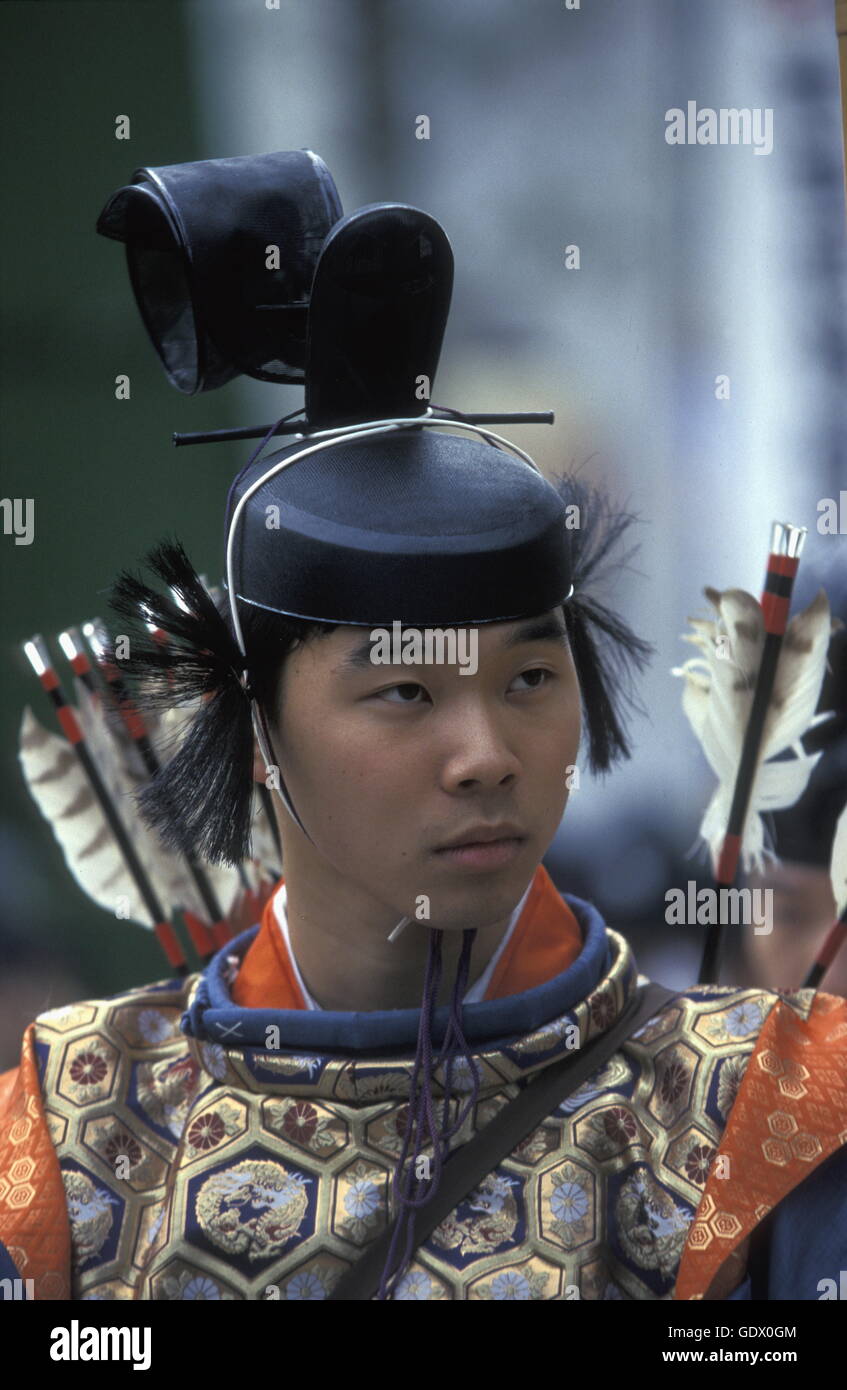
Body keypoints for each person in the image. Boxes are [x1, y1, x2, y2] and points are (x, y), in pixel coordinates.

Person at [1, 154, 845, 1303]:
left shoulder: (761, 1109)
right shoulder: (71, 1135)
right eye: (404, 691)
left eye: (531, 676)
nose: (486, 752)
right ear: (251, 723)